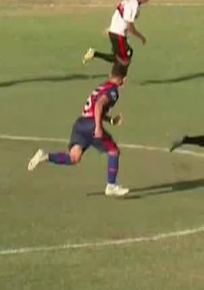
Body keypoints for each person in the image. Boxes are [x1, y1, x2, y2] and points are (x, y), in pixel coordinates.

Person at [28, 62, 130, 197]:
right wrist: (98, 127)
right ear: (123, 79)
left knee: (74, 158)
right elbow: (99, 105)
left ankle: (45, 156)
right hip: (91, 125)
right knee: (113, 151)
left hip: (80, 124)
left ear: (110, 74)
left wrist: (110, 120)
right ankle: (111, 185)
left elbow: (94, 107)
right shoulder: (113, 91)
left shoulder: (102, 86)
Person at [84, 0, 150, 72]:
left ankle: (94, 54)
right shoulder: (133, 5)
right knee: (125, 60)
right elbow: (129, 25)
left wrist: (111, 28)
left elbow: (119, 15)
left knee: (120, 56)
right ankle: (117, 80)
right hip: (118, 34)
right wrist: (140, 36)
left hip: (116, 32)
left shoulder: (130, 2)